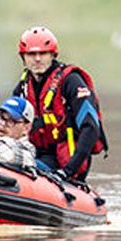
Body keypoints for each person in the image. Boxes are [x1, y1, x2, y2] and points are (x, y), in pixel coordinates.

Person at [9, 26, 106, 182]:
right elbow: (4, 123)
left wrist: (67, 171)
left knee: (19, 166)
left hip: (65, 161)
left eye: (43, 53)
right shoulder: (24, 87)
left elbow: (91, 128)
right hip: (35, 153)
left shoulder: (71, 81)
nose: (37, 59)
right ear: (23, 57)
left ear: (53, 55)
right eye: (31, 54)